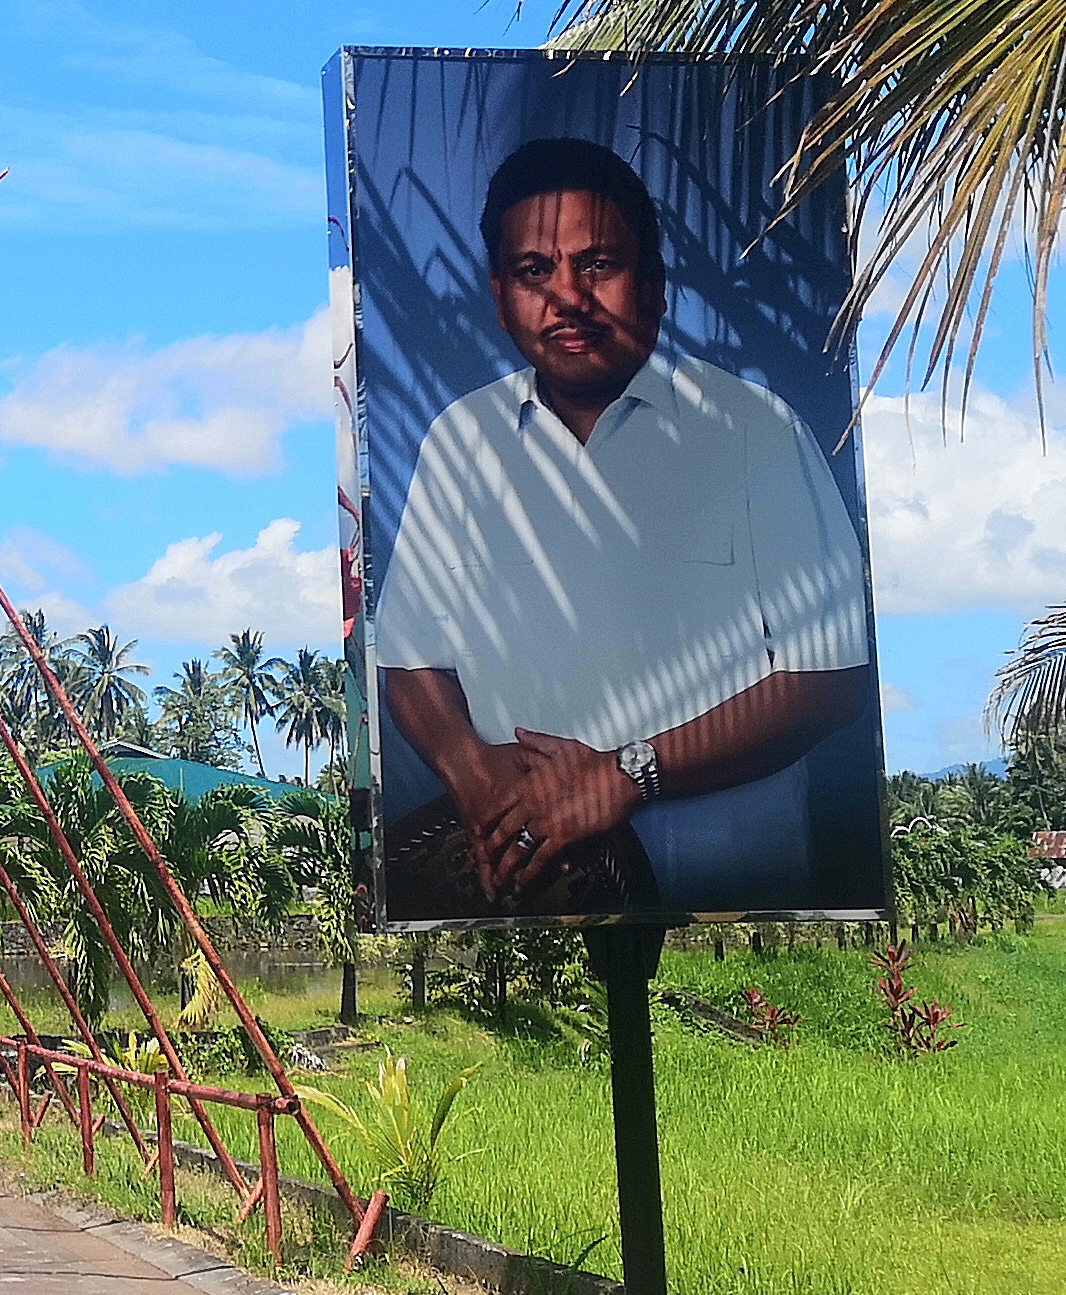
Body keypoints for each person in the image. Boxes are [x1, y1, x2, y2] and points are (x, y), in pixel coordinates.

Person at [374, 137, 873, 918]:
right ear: (499, 297)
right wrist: (470, 770)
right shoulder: (458, 442)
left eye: (597, 264)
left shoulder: (754, 432)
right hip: (530, 914)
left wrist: (629, 774)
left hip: (738, 906)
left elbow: (831, 679)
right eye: (534, 271)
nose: (567, 297)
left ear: (656, 285)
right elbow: (409, 660)